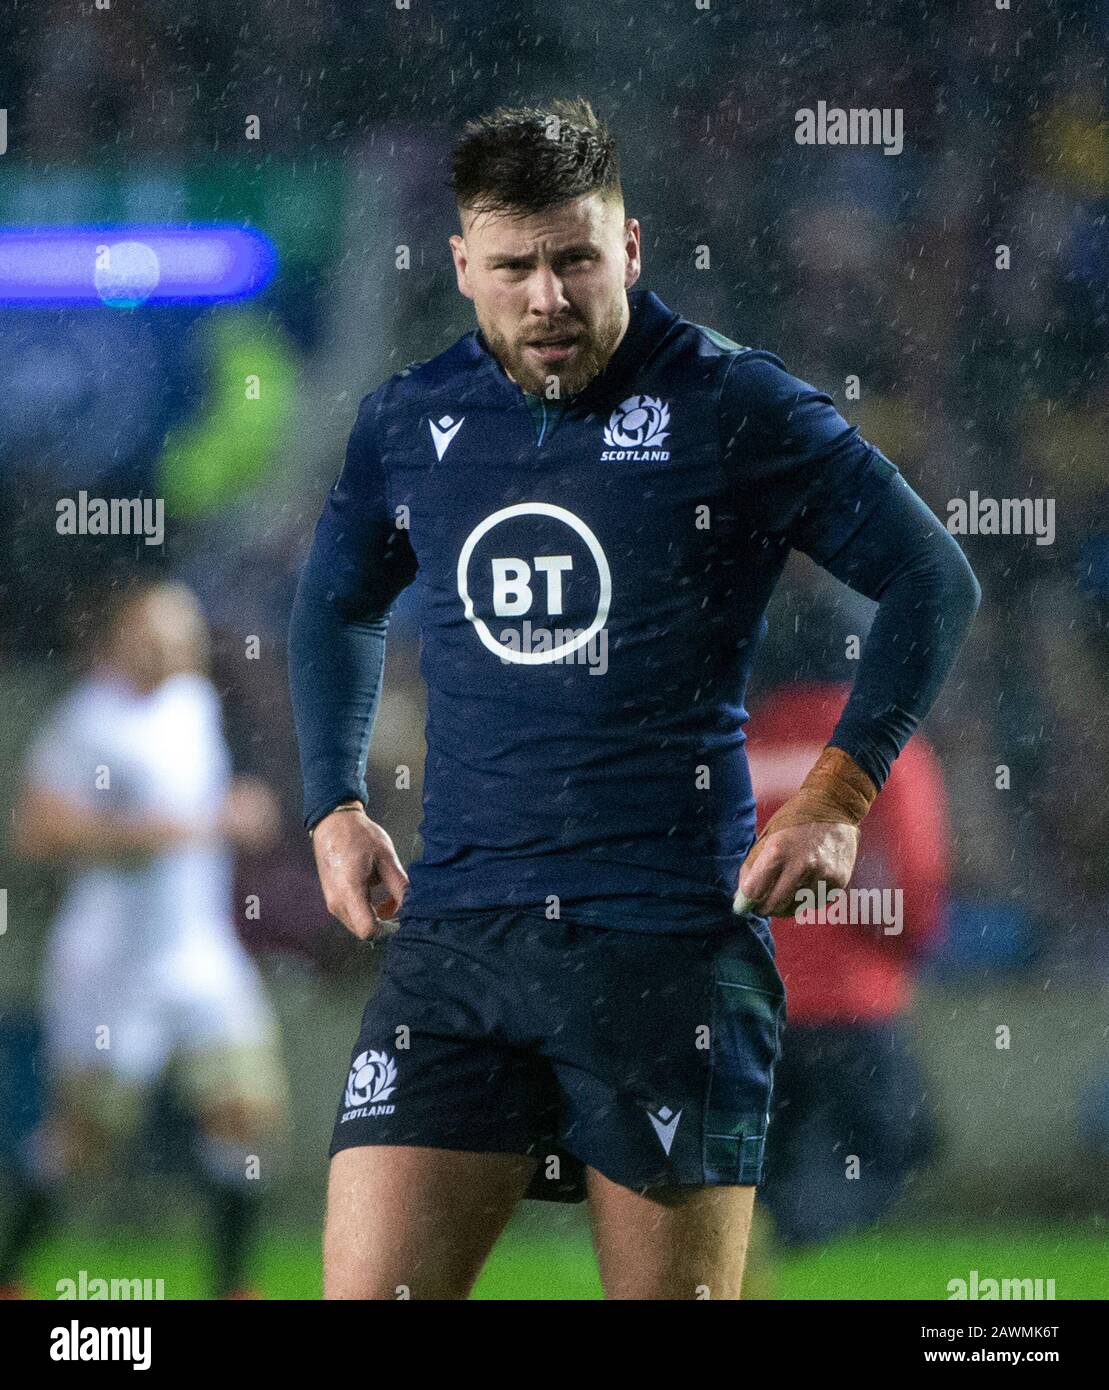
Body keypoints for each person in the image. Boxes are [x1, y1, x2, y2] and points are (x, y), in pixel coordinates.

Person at [288, 97, 980, 1300]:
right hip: (457, 943)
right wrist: (333, 804)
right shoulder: (408, 420)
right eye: (512, 266)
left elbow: (931, 575)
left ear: (631, 248)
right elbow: (334, 604)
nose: (546, 296)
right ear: (462, 266)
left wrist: (839, 785)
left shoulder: (732, 405)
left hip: (665, 951)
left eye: (575, 260)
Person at [0, 580, 288, 1300]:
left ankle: (233, 1285)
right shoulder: (88, 722)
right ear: (122, 638)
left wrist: (238, 810)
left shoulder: (192, 704)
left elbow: (213, 810)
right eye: (158, 635)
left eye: (185, 635)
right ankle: (9, 1274)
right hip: (112, 965)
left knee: (247, 1115)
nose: (175, 649)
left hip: (200, 955)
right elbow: (37, 831)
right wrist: (179, 830)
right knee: (83, 1142)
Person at [743, 681, 949, 1282]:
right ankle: (790, 1240)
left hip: (754, 1002)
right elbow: (916, 879)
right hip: (851, 1008)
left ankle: (755, 1243)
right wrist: (900, 949)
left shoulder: (742, 739)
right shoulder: (883, 744)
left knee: (762, 1164)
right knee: (891, 1147)